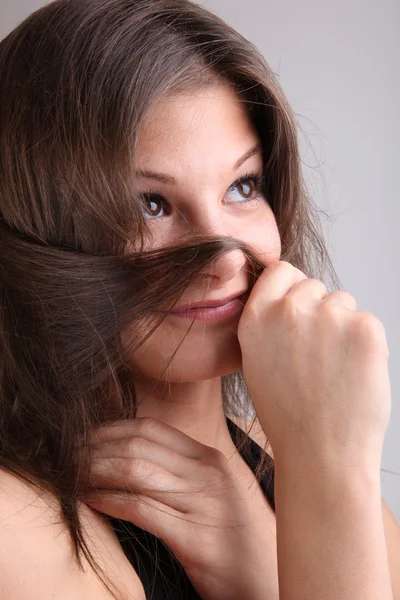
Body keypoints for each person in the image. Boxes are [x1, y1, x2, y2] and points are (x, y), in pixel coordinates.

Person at [0, 0, 399, 599]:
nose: (226, 258)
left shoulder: (287, 452)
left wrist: (263, 560)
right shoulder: (16, 525)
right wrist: (327, 475)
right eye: (149, 205)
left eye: (244, 185)